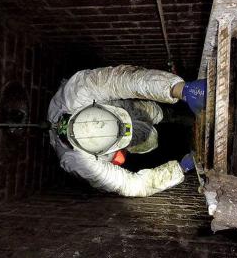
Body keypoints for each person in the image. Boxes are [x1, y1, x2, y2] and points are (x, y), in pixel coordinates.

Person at [47, 65, 206, 197]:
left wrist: (178, 89)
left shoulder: (80, 92)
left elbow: (128, 81)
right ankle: (151, 133)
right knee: (149, 139)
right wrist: (179, 169)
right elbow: (132, 185)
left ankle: (170, 116)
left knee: (150, 112)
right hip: (117, 135)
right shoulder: (82, 163)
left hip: (118, 108)